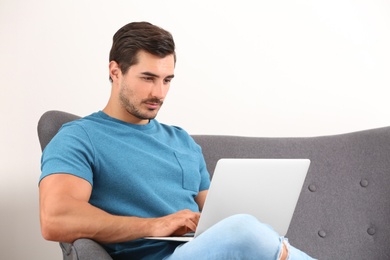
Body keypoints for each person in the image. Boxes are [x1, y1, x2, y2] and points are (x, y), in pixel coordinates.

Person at [39, 21, 315, 260]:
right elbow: (55, 219)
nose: (159, 93)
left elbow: (217, 216)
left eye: (167, 80)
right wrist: (153, 226)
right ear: (115, 71)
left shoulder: (181, 140)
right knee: (243, 229)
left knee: (245, 227)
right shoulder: (79, 136)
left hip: (204, 252)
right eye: (147, 78)